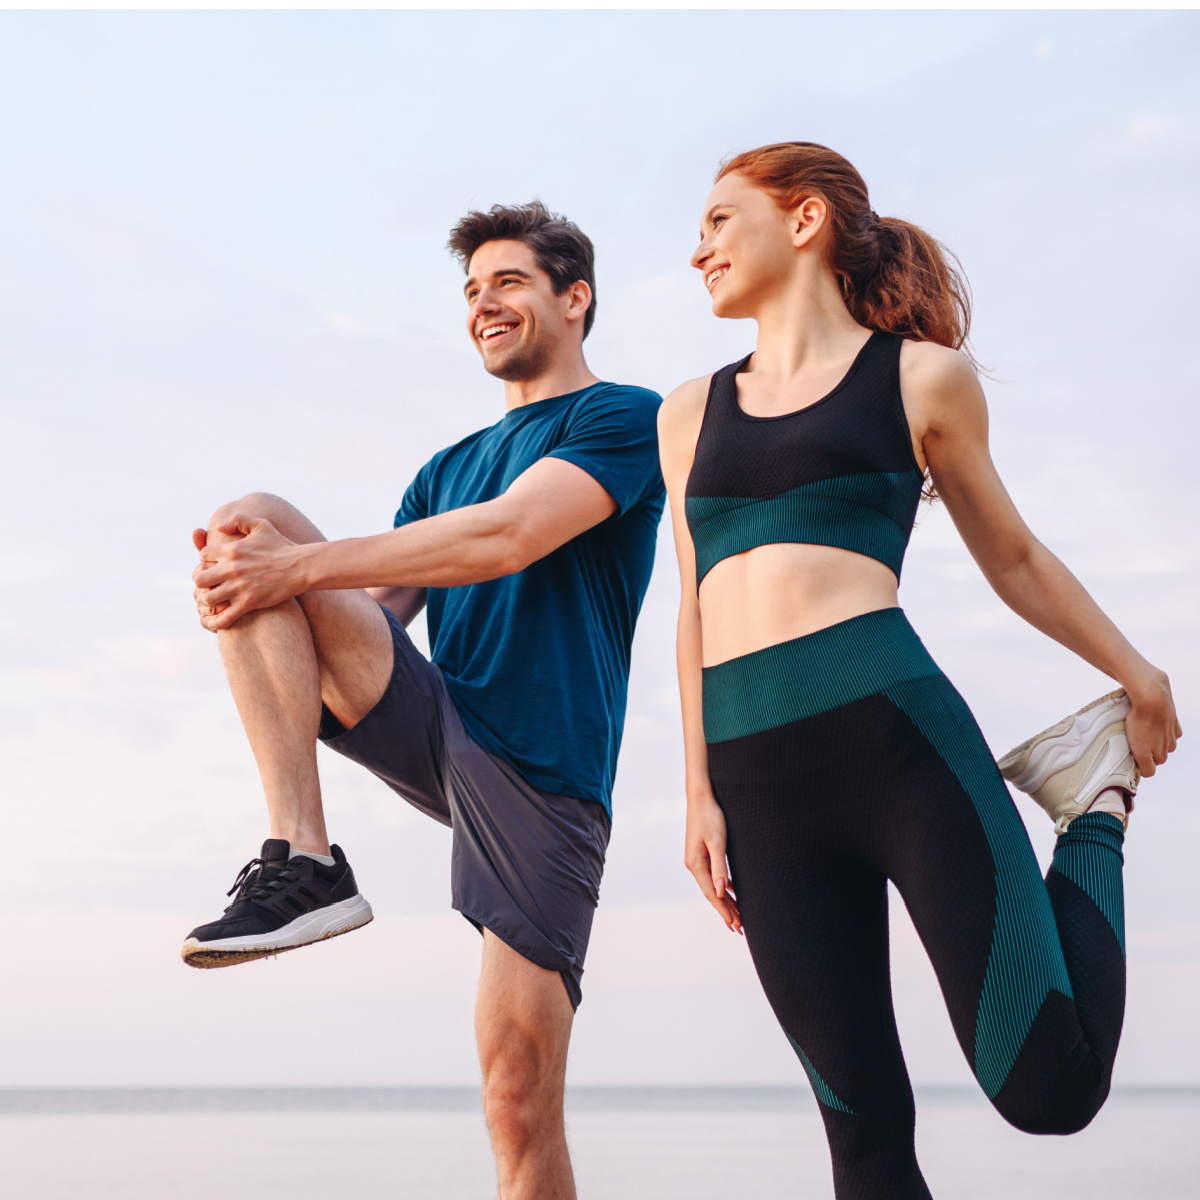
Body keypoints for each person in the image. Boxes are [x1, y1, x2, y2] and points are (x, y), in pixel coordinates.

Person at [657, 142, 1180, 1200]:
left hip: (894, 745)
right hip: (756, 787)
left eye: (719, 219)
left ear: (802, 220)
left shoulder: (918, 380)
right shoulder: (686, 412)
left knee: (1049, 1091)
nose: (696, 246)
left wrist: (1138, 673)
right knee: (863, 1137)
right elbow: (691, 608)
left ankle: (1092, 811)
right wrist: (697, 793)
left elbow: (1015, 557)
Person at [186, 201, 665, 1200]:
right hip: (439, 725)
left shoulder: (620, 417)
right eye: (473, 290)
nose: (485, 304)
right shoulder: (442, 470)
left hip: (544, 770)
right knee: (249, 524)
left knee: (515, 1092)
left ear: (574, 299)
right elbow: (376, 616)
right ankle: (306, 859)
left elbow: (506, 539)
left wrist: (295, 567)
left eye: (510, 283)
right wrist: (256, 587)